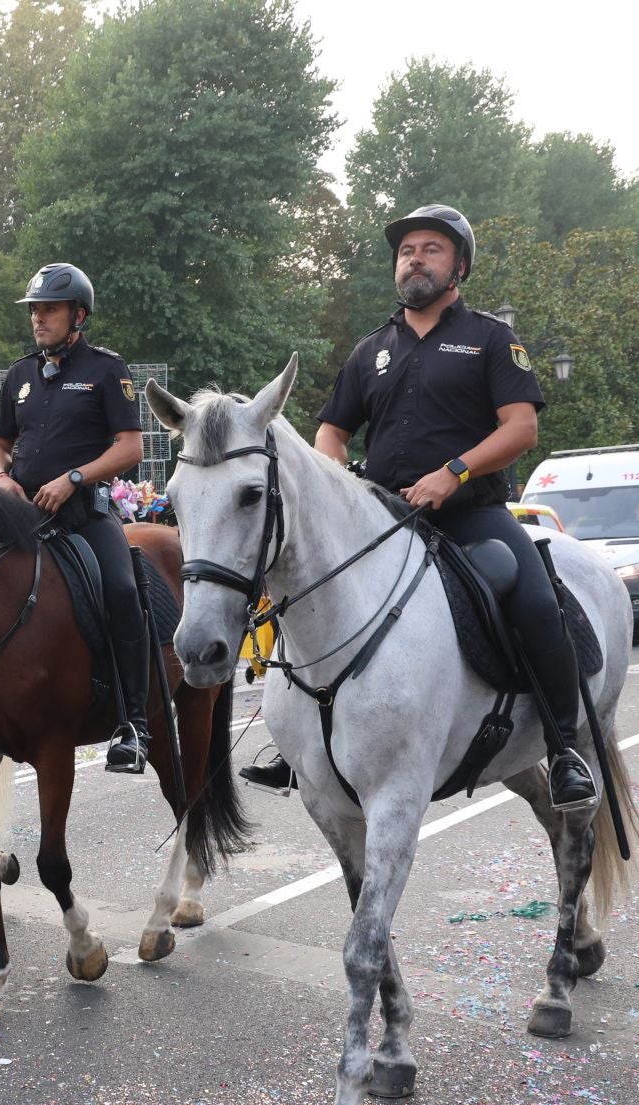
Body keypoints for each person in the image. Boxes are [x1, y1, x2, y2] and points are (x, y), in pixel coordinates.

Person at [241, 203, 598, 810]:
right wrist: (336, 480)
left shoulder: (491, 338)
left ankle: (564, 747)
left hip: (471, 513)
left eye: (431, 249)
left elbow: (520, 429)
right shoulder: (370, 349)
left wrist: (453, 473)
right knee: (307, 593)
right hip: (382, 519)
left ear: (458, 265)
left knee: (536, 597)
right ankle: (302, 744)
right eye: (407, 251)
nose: (415, 259)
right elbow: (332, 430)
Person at [0, 263, 150, 774]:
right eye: (34, 310)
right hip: (19, 516)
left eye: (48, 309)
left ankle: (134, 721)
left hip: (83, 516)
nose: (38, 319)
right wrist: (1, 477)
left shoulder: (106, 369)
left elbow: (130, 448)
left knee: (121, 589)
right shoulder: (19, 374)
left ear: (79, 315)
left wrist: (74, 478)